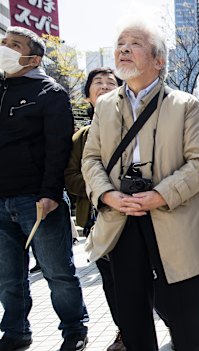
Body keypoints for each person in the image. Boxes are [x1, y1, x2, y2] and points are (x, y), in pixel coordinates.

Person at [81, 17, 199, 350]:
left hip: (174, 217)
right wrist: (108, 195)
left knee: (186, 311)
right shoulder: (105, 108)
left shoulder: (185, 105)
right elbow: (91, 160)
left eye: (135, 44)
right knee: (132, 312)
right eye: (120, 44)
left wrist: (159, 194)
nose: (123, 49)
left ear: (159, 61)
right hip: (122, 217)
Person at [0, 26, 89, 351]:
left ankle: (74, 330)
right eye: (3, 43)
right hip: (1, 200)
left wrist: (50, 193)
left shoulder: (49, 93)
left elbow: (58, 150)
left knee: (58, 273)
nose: (5, 48)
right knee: (8, 277)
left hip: (37, 200)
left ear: (34, 57)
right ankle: (15, 332)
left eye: (14, 45)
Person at [64, 67, 124, 351]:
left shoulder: (135, 126)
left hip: (139, 214)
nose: (103, 86)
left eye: (110, 82)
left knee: (153, 277)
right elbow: (71, 177)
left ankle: (173, 323)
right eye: (97, 83)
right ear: (87, 96)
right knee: (112, 283)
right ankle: (125, 332)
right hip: (100, 220)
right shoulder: (80, 138)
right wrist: (103, 190)